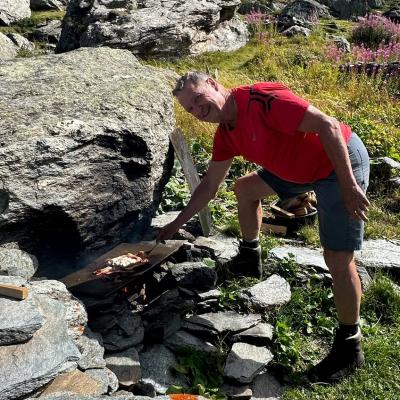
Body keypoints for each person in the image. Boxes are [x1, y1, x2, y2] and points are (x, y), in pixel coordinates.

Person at [157, 71, 370, 383]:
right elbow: (209, 186)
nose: (199, 111)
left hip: (338, 163)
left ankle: (350, 346)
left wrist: (349, 185)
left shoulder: (262, 101)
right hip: (296, 169)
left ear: (214, 85)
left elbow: (327, 125)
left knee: (337, 258)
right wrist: (176, 223)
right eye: (191, 109)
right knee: (245, 189)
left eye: (200, 100)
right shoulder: (226, 134)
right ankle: (249, 257)